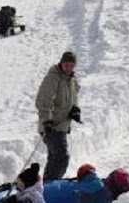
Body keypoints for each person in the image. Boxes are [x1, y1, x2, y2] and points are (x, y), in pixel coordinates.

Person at [35, 51, 82, 180]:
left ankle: (46, 187)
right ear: (61, 63)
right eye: (66, 65)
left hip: (61, 125)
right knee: (62, 157)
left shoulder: (72, 79)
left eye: (71, 65)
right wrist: (47, 120)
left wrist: (75, 109)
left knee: (54, 157)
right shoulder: (54, 77)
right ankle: (52, 186)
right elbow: (43, 100)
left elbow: (74, 97)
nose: (68, 68)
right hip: (51, 126)